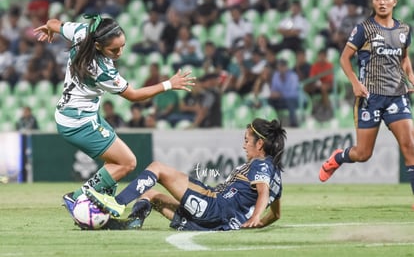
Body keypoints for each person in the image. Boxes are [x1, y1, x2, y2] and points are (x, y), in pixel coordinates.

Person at [33, 14, 195, 226]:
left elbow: (55, 23)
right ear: (98, 46)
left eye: (123, 46)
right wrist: (168, 84)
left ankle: (100, 208)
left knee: (115, 163)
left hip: (78, 114)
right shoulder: (101, 69)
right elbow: (134, 95)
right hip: (79, 121)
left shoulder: (84, 32)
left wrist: (50, 28)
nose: (120, 52)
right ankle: (77, 197)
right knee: (127, 162)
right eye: (114, 50)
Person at [85, 117, 285, 231]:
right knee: (150, 195)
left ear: (260, 144)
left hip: (214, 206)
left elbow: (262, 191)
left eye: (247, 140)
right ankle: (132, 222)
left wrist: (256, 217)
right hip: (218, 222)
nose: (244, 145)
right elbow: (276, 214)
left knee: (157, 168)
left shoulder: (261, 163)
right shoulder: (276, 176)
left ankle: (117, 202)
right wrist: (251, 224)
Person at [319, 0, 414, 209]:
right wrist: (354, 83)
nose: (382, 2)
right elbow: (344, 58)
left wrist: (410, 78)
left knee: (410, 145)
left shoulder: (404, 30)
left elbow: (404, 59)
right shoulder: (364, 29)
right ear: (373, 2)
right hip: (370, 98)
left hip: (397, 96)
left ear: (394, 2)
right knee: (363, 154)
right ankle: (338, 157)